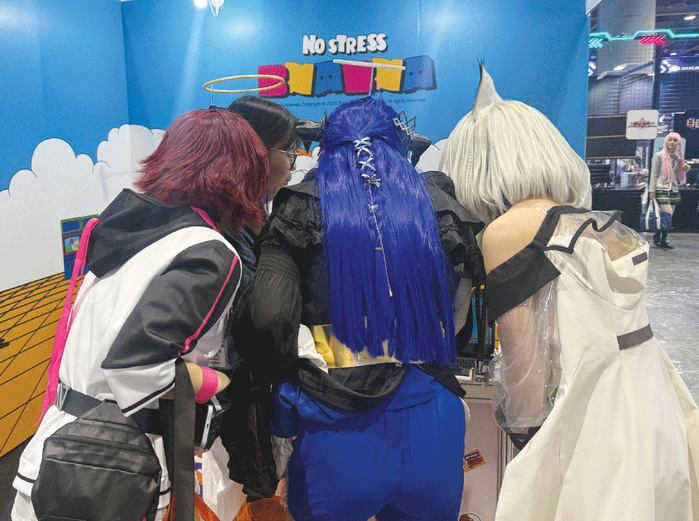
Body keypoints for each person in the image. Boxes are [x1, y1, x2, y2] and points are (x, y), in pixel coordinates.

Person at [441, 65, 699, 521]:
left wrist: (525, 442)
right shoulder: (589, 222)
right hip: (653, 407)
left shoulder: (510, 231)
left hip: (588, 425)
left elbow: (525, 376)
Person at [11, 107, 270, 521]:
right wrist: (210, 382)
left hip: (56, 451)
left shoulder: (133, 234)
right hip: (111, 469)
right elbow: (136, 366)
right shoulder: (208, 251)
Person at [233, 97, 483, 521]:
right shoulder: (439, 206)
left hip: (336, 426)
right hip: (432, 419)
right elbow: (459, 323)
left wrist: (294, 377)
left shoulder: (301, 207)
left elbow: (268, 318)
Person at [648, 132, 691, 248]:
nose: (672, 142)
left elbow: (682, 170)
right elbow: (654, 174)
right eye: (670, 140)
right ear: (666, 142)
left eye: (675, 140)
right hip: (661, 188)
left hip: (673, 189)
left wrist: (687, 168)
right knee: (667, 215)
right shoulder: (658, 156)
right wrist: (651, 190)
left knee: (668, 218)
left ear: (678, 143)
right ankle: (659, 237)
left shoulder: (678, 157)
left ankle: (662, 239)